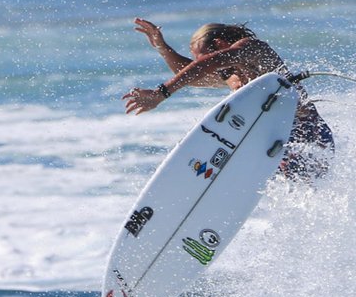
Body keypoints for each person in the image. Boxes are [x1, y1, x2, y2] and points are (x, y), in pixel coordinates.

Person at [123, 20, 334, 179]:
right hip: (273, 143)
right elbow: (192, 74)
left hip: (308, 136)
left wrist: (161, 93)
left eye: (205, 56)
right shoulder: (230, 73)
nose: (203, 62)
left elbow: (207, 64)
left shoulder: (253, 49)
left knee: (310, 195)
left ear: (220, 43)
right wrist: (162, 47)